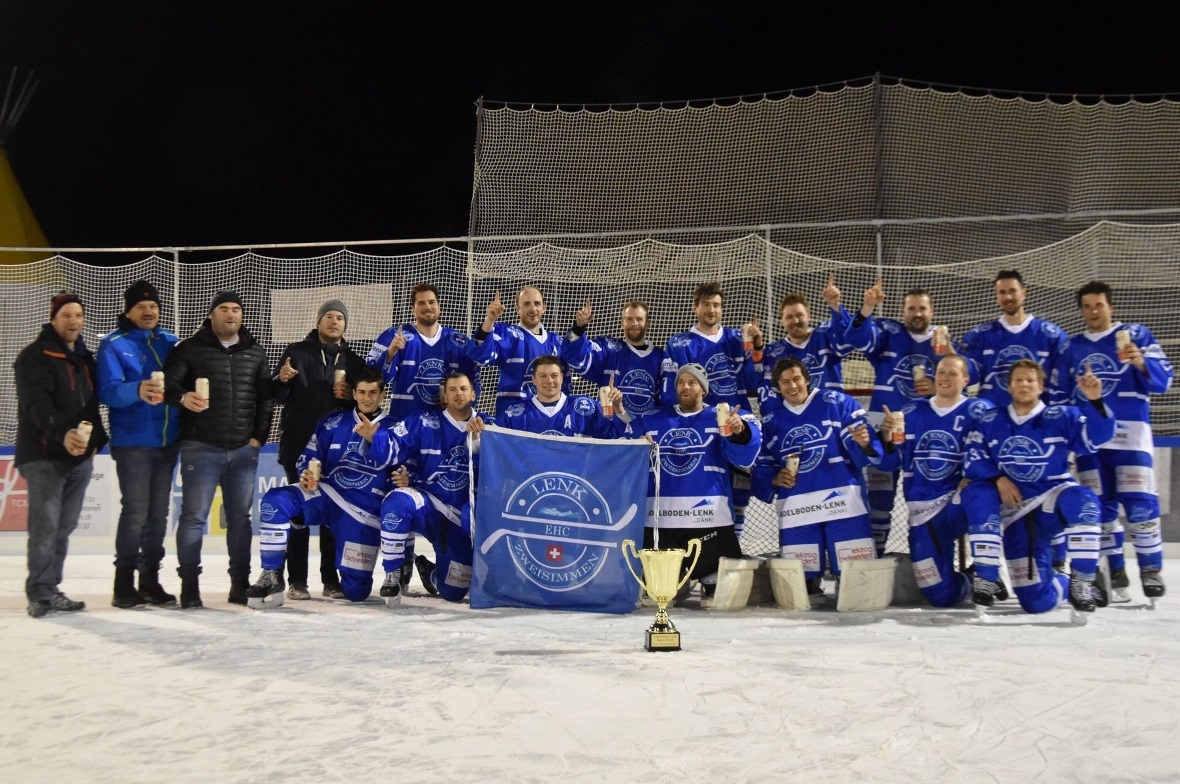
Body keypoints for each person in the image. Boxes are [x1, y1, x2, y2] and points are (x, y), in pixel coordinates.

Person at [964, 359, 1114, 618]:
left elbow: (1095, 439)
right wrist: (998, 479)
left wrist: (1095, 401)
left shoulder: (1063, 416)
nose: (1024, 384)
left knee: (1085, 502)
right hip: (1016, 511)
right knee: (1036, 602)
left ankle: (1083, 581)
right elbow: (973, 456)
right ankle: (1065, 583)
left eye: (1030, 380)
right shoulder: (990, 420)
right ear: (1009, 386)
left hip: (1052, 498)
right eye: (1018, 380)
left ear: (1040, 387)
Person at [246, 368, 397, 606]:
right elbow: (309, 456)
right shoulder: (333, 421)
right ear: (354, 394)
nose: (367, 398)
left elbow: (402, 468)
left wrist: (374, 439)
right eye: (362, 392)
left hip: (362, 513)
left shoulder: (396, 427)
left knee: (356, 591)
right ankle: (271, 573)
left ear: (382, 394)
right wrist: (306, 472)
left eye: (373, 392)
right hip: (327, 496)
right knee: (275, 500)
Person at [163, 291, 275, 608]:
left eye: (236, 309)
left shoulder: (255, 351)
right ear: (211, 314)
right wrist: (182, 397)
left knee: (240, 519)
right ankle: (189, 586)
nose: (230, 314)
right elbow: (169, 384)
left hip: (243, 451)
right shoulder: (189, 348)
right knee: (194, 517)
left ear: (242, 315)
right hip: (201, 446)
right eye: (223, 308)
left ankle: (239, 584)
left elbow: (266, 399)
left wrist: (258, 438)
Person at [1066, 281, 1172, 601]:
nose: (1093, 312)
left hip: (1131, 437)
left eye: (1098, 305)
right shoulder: (1073, 346)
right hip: (1091, 439)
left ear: (1110, 307)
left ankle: (1150, 570)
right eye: (1087, 306)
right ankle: (1113, 569)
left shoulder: (1136, 335)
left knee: (1140, 505)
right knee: (1099, 508)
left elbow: (1164, 381)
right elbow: (1062, 393)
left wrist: (1140, 362)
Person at [751, 358, 884, 596]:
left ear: (807, 379)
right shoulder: (773, 421)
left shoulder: (837, 402)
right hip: (798, 509)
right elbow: (765, 462)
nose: (792, 386)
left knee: (856, 583)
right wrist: (773, 479)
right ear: (778, 387)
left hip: (842, 503)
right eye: (785, 382)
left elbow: (864, 448)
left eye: (796, 379)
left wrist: (864, 444)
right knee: (802, 587)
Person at [875, 355, 999, 606]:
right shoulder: (912, 411)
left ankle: (987, 575)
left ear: (966, 379)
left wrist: (976, 476)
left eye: (953, 373)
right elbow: (889, 463)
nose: (945, 378)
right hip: (924, 512)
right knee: (937, 594)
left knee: (982, 494)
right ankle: (969, 580)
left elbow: (995, 452)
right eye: (941, 372)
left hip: (958, 503)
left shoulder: (979, 411)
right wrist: (886, 435)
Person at [632, 363, 761, 601]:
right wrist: (637, 445)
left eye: (692, 383)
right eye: (681, 382)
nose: (685, 387)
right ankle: (675, 580)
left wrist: (740, 432)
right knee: (659, 593)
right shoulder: (652, 419)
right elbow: (625, 450)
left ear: (703, 389)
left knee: (718, 592)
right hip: (661, 521)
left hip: (708, 519)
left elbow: (744, 458)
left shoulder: (721, 417)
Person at [15, 292, 109, 618]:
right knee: (45, 528)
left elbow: (92, 407)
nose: (73, 321)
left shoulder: (85, 359)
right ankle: (39, 593)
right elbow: (36, 405)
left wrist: (97, 441)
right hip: (43, 456)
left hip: (79, 458)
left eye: (78, 315)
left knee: (64, 526)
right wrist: (62, 433)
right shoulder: (33, 356)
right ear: (53, 319)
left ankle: (51, 588)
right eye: (67, 315)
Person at [841, 280, 951, 556]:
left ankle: (930, 556)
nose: (917, 314)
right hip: (883, 427)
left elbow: (964, 377)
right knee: (878, 499)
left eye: (922, 309)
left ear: (932, 311)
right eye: (911, 309)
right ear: (903, 312)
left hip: (925, 433)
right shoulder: (889, 333)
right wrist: (868, 307)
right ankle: (874, 556)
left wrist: (938, 386)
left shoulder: (942, 343)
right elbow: (855, 339)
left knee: (927, 498)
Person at [366, 372, 493, 605]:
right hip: (430, 505)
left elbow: (504, 468)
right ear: (444, 396)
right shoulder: (424, 421)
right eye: (452, 389)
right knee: (397, 501)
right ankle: (392, 573)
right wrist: (375, 438)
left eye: (463, 389)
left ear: (474, 394)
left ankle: (430, 573)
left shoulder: (490, 426)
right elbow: (394, 444)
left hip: (464, 516)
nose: (458, 394)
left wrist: (480, 444)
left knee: (454, 591)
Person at [273, 298, 366, 600]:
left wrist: (350, 397)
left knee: (331, 517)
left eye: (340, 317)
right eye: (329, 316)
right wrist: (282, 380)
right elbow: (276, 396)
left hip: (337, 452)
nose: (334, 321)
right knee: (299, 514)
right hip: (299, 447)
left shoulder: (354, 361)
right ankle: (297, 581)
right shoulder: (297, 353)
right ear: (318, 321)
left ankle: (331, 579)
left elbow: (366, 403)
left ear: (345, 325)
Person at [96, 280, 181, 608]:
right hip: (133, 443)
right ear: (128, 312)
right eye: (141, 306)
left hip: (167, 441)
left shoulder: (170, 341)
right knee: (135, 511)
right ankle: (123, 584)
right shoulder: (114, 344)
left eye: (153, 306)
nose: (148, 311)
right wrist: (137, 389)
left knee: (158, 514)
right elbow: (107, 391)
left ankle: (150, 580)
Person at [660, 282, 758, 536]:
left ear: (722, 308)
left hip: (736, 424)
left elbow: (754, 381)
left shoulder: (737, 339)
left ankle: (733, 547)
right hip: (700, 428)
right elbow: (671, 393)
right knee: (705, 491)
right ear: (695, 308)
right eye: (706, 304)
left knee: (739, 492)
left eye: (716, 305)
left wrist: (756, 348)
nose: (711, 310)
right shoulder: (679, 344)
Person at [366, 282, 480, 420]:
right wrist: (390, 353)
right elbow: (372, 378)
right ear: (413, 310)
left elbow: (473, 381)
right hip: (405, 423)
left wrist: (465, 413)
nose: (427, 307)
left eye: (432, 302)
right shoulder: (395, 336)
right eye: (421, 303)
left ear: (439, 307)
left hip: (446, 424)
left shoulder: (458, 341)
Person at [746, 274, 855, 415]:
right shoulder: (774, 352)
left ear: (809, 315)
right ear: (782, 321)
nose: (795, 321)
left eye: (799, 315)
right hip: (797, 421)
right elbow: (754, 383)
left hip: (831, 415)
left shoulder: (825, 335)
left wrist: (835, 306)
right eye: (789, 317)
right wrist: (757, 348)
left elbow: (849, 340)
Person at [960, 269, 1070, 408]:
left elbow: (1064, 376)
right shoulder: (981, 335)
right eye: (1002, 292)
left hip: (1037, 417)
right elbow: (967, 376)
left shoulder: (1049, 334)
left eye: (1012, 291)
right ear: (996, 297)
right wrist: (950, 353)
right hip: (994, 415)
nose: (1008, 297)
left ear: (1024, 293)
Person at [468, 286, 566, 416]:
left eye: (537, 303)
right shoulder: (508, 335)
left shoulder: (557, 342)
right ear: (517, 309)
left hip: (548, 416)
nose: (533, 309)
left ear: (544, 308)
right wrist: (490, 320)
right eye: (526, 304)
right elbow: (480, 356)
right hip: (512, 416)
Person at [561, 298, 664, 416]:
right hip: (610, 424)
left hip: (646, 425)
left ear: (647, 324)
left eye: (639, 319)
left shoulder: (660, 357)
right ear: (622, 323)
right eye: (629, 319)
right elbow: (574, 356)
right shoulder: (609, 349)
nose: (634, 323)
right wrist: (579, 327)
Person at [492, 355, 627, 438]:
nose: (549, 381)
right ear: (533, 380)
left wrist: (618, 408)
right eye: (543, 376)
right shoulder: (515, 414)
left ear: (562, 378)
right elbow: (491, 441)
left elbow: (621, 435)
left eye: (554, 375)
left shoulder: (585, 407)